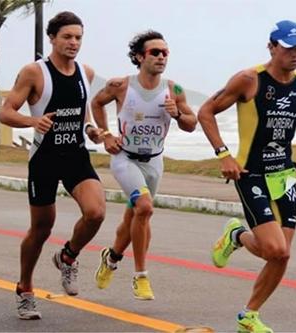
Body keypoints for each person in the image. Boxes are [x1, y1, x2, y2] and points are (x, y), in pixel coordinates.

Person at [198, 20, 296, 332]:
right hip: (250, 172)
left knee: (282, 256)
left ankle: (249, 316)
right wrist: (223, 155)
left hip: (285, 175)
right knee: (276, 250)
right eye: (287, 48)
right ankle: (238, 235)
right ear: (271, 47)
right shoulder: (249, 80)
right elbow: (206, 111)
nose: (295, 54)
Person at [0, 11, 106, 320]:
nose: (73, 42)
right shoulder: (34, 72)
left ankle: (68, 256)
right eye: (67, 37)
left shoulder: (86, 72)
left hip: (75, 155)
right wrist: (34, 120)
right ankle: (25, 289)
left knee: (96, 212)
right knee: (41, 229)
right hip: (44, 158)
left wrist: (91, 130)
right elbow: (7, 113)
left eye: (78, 37)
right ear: (52, 39)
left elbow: (83, 113)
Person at [91, 30, 197, 300]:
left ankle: (111, 258)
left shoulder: (174, 90)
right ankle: (140, 276)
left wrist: (178, 114)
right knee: (145, 208)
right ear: (139, 57)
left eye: (165, 53)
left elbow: (191, 124)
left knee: (134, 217)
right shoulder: (120, 85)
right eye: (155, 52)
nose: (161, 57)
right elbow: (97, 102)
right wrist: (105, 135)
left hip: (154, 162)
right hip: (125, 158)